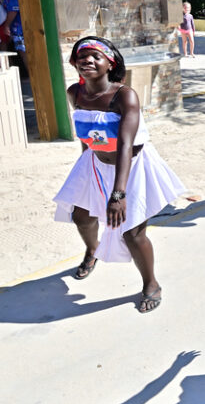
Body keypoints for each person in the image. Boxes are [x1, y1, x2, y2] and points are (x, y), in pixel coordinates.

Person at [53, 37, 185, 313]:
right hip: (95, 163)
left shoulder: (124, 95)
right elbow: (86, 132)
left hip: (132, 167)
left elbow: (126, 143)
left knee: (132, 232)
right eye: (81, 56)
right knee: (81, 216)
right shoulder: (74, 93)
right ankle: (93, 250)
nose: (87, 60)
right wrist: (84, 169)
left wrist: (118, 193)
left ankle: (151, 284)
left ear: (109, 63)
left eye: (94, 56)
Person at [1, 0, 26, 72]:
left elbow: (13, 10)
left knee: (25, 55)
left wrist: (6, 25)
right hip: (24, 27)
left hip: (19, 29)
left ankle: (32, 77)